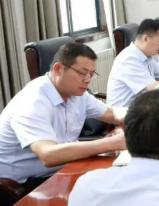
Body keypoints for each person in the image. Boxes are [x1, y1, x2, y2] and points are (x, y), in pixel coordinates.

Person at [0, 43, 125, 186]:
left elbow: (113, 113)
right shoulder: (32, 101)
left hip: (64, 167)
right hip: (24, 183)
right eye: (82, 73)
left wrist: (140, 115)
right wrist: (112, 143)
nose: (87, 80)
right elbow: (48, 155)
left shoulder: (76, 93)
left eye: (91, 74)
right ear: (58, 69)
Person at [107, 19, 159, 107]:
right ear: (145, 39)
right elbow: (153, 88)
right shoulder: (128, 59)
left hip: (141, 107)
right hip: (123, 113)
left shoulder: (147, 56)